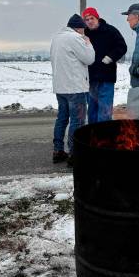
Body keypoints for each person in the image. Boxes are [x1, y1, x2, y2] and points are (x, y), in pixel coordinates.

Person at [50, 14, 95, 166]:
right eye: (83, 30)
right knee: (77, 121)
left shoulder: (56, 38)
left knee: (62, 119)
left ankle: (58, 151)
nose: (84, 33)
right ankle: (74, 155)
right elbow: (89, 59)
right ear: (79, 28)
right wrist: (88, 43)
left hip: (60, 87)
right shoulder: (76, 38)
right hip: (75, 87)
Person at [82, 7, 127, 123]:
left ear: (97, 18)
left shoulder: (110, 31)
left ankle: (104, 137)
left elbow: (122, 47)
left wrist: (111, 57)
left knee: (105, 110)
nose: (90, 21)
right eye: (87, 20)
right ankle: (92, 137)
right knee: (92, 110)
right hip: (90, 78)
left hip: (106, 77)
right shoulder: (84, 34)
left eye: (92, 18)